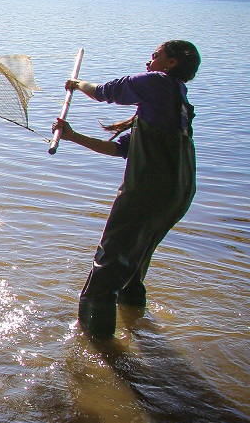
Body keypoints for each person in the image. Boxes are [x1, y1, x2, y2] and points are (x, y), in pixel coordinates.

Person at [51, 40, 200, 338]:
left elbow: (107, 91)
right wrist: (72, 136)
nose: (149, 61)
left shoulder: (158, 83)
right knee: (133, 264)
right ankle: (138, 327)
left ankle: (98, 345)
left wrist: (77, 84)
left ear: (172, 62)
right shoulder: (172, 99)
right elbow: (119, 149)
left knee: (107, 269)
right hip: (178, 193)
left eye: (155, 55)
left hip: (149, 192)